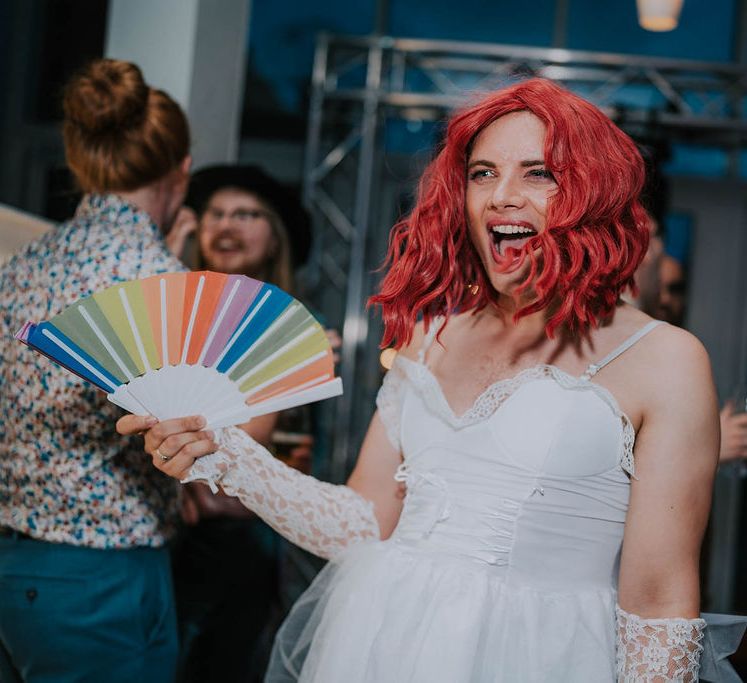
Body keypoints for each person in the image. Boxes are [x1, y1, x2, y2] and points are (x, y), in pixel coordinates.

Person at [118, 78, 726, 681]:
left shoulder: (665, 359)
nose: (500, 196)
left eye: (538, 173)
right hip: (383, 643)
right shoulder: (428, 334)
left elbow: (661, 601)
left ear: (592, 193)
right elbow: (363, 522)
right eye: (482, 173)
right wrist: (226, 453)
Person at [0, 59, 190, 682]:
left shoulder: (20, 267)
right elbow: (197, 436)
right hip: (106, 575)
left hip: (14, 562)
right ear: (179, 173)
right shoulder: (164, 287)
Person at [165, 165, 317, 682]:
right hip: (171, 534)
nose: (227, 225)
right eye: (217, 213)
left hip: (245, 538)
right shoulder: (171, 313)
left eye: (246, 214)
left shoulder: (287, 327)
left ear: (274, 234)